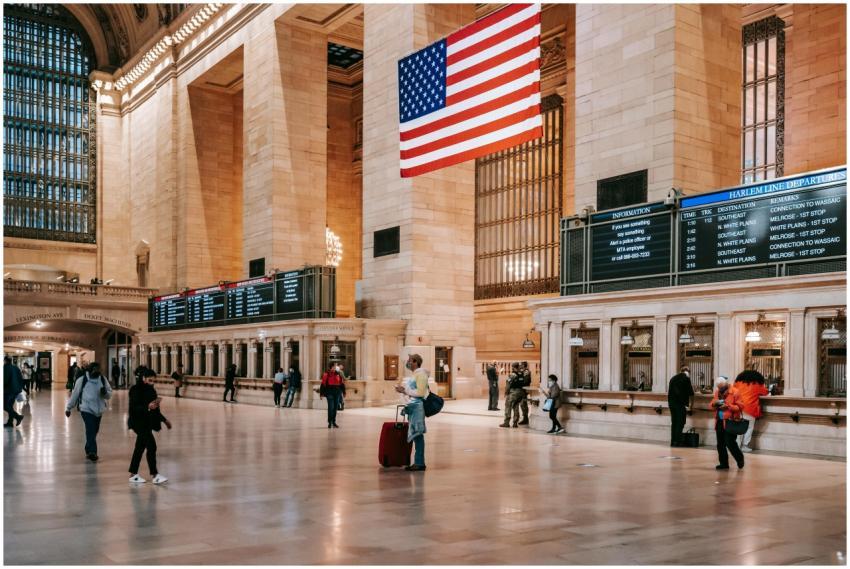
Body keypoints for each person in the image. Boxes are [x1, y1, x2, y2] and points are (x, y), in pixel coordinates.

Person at [128, 367, 170, 484]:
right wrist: (147, 407)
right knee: (151, 446)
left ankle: (133, 474)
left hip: (146, 423)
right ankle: (155, 475)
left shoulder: (151, 391)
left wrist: (164, 420)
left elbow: (155, 409)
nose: (152, 383)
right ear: (144, 379)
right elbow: (134, 408)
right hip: (138, 423)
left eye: (153, 381)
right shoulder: (135, 390)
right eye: (150, 380)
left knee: (140, 448)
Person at [65, 362, 112, 462]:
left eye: (98, 370)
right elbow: (75, 395)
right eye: (94, 370)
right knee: (90, 429)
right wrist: (68, 408)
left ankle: (88, 447)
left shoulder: (102, 379)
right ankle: (93, 452)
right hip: (86, 409)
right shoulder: (82, 380)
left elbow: (109, 394)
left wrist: (105, 393)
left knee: (94, 431)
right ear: (89, 371)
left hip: (99, 410)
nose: (97, 372)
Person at [394, 353, 428, 471]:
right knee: (415, 435)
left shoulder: (421, 374)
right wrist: (403, 391)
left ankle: (419, 463)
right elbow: (411, 391)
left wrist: (405, 390)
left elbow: (420, 393)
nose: (408, 363)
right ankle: (418, 462)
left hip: (417, 408)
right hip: (412, 407)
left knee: (418, 435)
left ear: (415, 362)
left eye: (409, 360)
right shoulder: (414, 375)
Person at [710, 376, 745, 470]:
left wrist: (728, 406)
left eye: (721, 387)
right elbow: (712, 404)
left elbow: (740, 407)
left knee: (730, 442)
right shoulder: (717, 392)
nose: (720, 389)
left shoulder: (735, 392)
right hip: (719, 421)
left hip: (731, 422)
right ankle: (723, 463)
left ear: (726, 384)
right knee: (720, 444)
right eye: (719, 387)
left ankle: (740, 458)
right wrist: (714, 404)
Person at [734, 369, 769, 452]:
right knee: (749, 427)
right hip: (750, 409)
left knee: (738, 427)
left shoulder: (737, 383)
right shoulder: (756, 384)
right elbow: (766, 392)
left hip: (738, 408)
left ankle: (736, 445)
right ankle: (744, 445)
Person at [667, 365, 695, 447]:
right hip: (680, 404)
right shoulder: (686, 378)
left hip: (671, 404)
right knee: (680, 422)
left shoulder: (673, 378)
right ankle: (678, 442)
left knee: (674, 422)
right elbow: (691, 394)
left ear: (680, 371)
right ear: (688, 372)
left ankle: (673, 441)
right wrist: (691, 406)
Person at [500, 363, 524, 428]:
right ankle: (515, 423)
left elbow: (508, 384)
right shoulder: (521, 374)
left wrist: (506, 392)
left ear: (513, 367)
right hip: (520, 392)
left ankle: (506, 423)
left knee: (508, 406)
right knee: (516, 407)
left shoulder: (513, 375)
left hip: (513, 392)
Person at [320, 363, 344, 428]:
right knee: (331, 408)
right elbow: (323, 384)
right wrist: (321, 394)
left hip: (337, 393)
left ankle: (333, 421)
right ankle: (330, 422)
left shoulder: (338, 374)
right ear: (331, 367)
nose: (335, 367)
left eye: (335, 366)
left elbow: (341, 384)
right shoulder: (326, 374)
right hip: (329, 393)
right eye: (334, 366)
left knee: (335, 408)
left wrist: (344, 392)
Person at [3, 357, 24, 427]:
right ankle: (10, 422)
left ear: (5, 361)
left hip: (8, 390)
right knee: (10, 406)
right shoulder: (16, 368)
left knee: (5, 406)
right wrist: (20, 388)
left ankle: (18, 417)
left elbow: (4, 380)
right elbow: (21, 378)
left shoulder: (5, 367)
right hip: (16, 390)